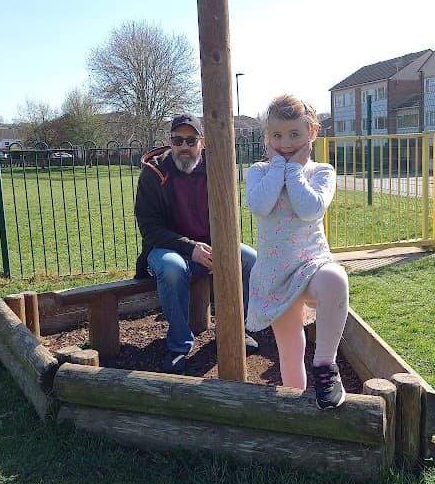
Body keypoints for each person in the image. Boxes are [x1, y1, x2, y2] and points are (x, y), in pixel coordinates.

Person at [246, 95, 349, 409]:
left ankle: (325, 367)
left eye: (294, 134)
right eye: (277, 136)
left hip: (310, 265)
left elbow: (309, 208)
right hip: (275, 274)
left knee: (335, 279)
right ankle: (298, 406)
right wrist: (280, 166)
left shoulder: (322, 172)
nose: (286, 142)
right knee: (290, 350)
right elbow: (259, 205)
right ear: (267, 137)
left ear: (312, 133)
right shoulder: (259, 172)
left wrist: (294, 171)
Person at [134, 114, 258, 373]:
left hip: (210, 246)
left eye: (191, 140)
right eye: (178, 140)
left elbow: (227, 214)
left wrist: (219, 247)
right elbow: (150, 228)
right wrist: (190, 247)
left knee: (249, 259)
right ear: (170, 142)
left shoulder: (216, 168)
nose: (184, 146)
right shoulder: (153, 173)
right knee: (172, 268)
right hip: (167, 248)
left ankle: (236, 330)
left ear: (202, 142)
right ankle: (179, 344)